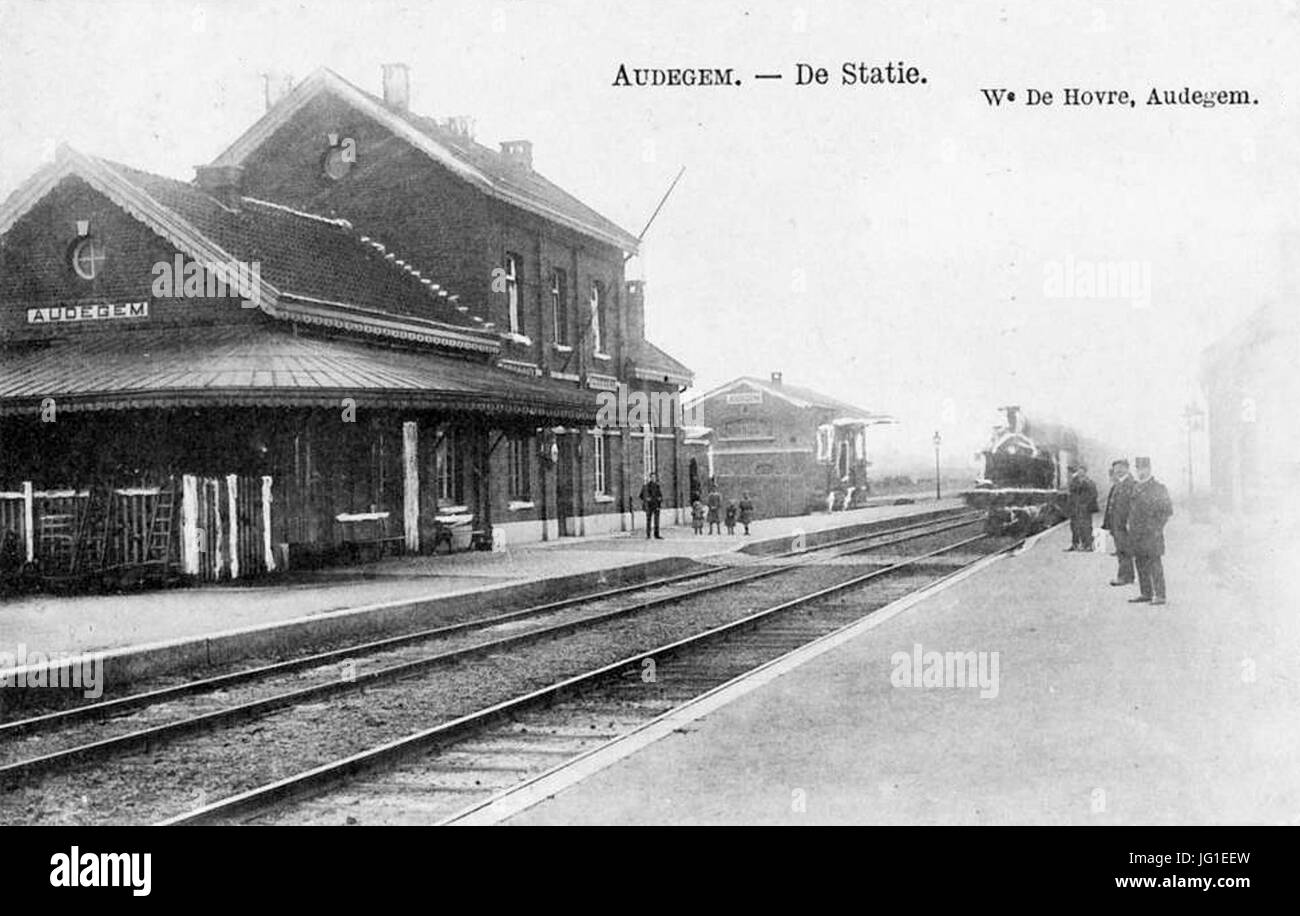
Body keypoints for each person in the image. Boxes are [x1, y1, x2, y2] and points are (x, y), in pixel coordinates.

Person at [1127, 457, 1173, 605]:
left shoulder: (1159, 488)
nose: (1141, 472)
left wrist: (1156, 528)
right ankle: (1145, 593)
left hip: (1152, 534)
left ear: (1149, 469)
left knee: (1154, 563)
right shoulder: (1135, 487)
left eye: (1144, 468)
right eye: (1138, 469)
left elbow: (1167, 511)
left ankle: (1160, 595)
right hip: (1137, 534)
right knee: (1140, 563)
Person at [1100, 458, 1136, 586]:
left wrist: (1130, 523)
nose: (1118, 471)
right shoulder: (1117, 484)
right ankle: (1128, 576)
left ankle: (1123, 577)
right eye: (1116, 468)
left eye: (1121, 468)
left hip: (1124, 524)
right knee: (1121, 550)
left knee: (1124, 551)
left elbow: (1134, 506)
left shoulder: (1131, 484)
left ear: (1127, 468)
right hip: (1116, 524)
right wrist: (1108, 524)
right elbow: (1111, 505)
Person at [1064, 464, 1099, 551]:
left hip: (1085, 508)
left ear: (1085, 472)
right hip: (1075, 508)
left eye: (1082, 471)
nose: (1080, 472)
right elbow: (1070, 494)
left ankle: (1088, 545)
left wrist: (1087, 504)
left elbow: (1094, 494)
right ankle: (1075, 544)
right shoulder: (1074, 482)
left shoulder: (1090, 482)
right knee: (1074, 527)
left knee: (1086, 527)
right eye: (1079, 470)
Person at [638, 473, 663, 540]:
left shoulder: (657, 486)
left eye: (654, 477)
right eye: (652, 477)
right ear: (650, 478)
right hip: (649, 506)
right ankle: (648, 535)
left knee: (656, 521)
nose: (653, 479)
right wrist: (647, 499)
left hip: (656, 505)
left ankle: (656, 534)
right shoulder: (646, 486)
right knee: (649, 520)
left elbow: (660, 495)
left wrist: (660, 499)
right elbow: (641, 495)